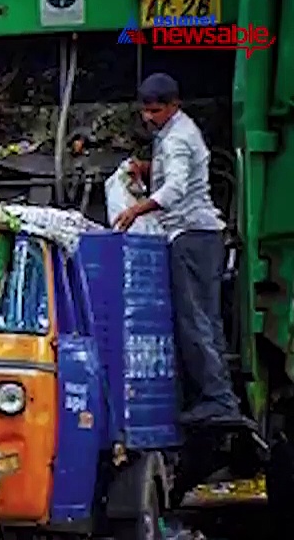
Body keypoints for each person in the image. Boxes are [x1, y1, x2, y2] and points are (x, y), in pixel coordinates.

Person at [113, 73, 243, 425]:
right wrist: (147, 169)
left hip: (192, 236)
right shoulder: (176, 133)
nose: (148, 117)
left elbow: (175, 191)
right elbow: (177, 173)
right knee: (207, 321)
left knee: (194, 321)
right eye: (145, 110)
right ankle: (221, 398)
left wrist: (134, 210)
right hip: (203, 238)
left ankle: (216, 399)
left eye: (155, 110)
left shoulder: (177, 139)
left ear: (174, 105)